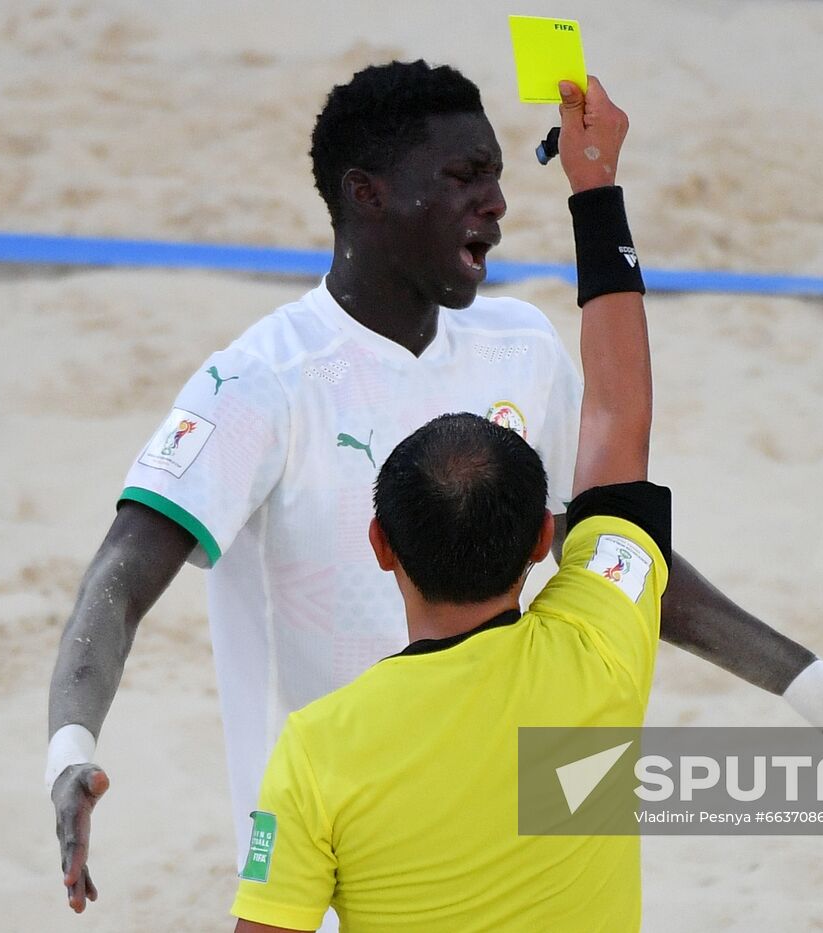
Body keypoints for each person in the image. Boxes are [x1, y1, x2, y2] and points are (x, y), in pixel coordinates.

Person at [47, 59, 823, 918]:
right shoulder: (261, 381)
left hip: (523, 827)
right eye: (463, 176)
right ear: (366, 193)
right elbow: (121, 578)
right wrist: (72, 746)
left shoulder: (519, 345)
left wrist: (799, 678)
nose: (496, 202)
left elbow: (608, 543)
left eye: (497, 173)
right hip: (337, 859)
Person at [231, 73, 663, 931]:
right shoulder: (602, 653)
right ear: (546, 537)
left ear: (381, 544)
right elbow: (620, 417)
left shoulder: (318, 749)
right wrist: (596, 187)